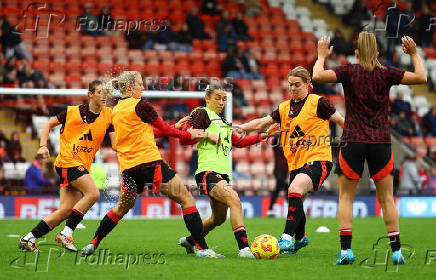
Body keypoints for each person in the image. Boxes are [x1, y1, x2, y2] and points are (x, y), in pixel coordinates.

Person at [80, 71, 223, 258]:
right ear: (130, 87)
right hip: (149, 164)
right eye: (140, 84)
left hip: (129, 170)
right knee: (186, 200)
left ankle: (93, 243)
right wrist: (191, 134)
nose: (143, 87)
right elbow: (163, 129)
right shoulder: (142, 105)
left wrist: (175, 128)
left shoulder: (116, 111)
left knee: (120, 209)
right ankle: (203, 249)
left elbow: (144, 134)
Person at [312, 32, 426, 265]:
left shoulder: (348, 71)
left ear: (355, 54)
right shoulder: (387, 73)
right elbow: (422, 77)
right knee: (387, 199)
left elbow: (317, 75)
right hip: (381, 141)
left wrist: (321, 55)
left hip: (353, 140)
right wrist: (414, 54)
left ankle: (346, 252)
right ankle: (396, 252)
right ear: (377, 53)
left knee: (346, 198)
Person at [236, 66, 344, 255]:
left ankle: (285, 238)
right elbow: (263, 122)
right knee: (296, 198)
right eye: (290, 85)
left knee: (294, 189)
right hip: (296, 163)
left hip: (319, 159)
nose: (293, 88)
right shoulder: (284, 108)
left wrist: (358, 138)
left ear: (308, 84)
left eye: (297, 85)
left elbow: (342, 121)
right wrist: (242, 127)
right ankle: (300, 238)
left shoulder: (319, 103)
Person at [178, 84, 279, 258]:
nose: (221, 102)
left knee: (218, 219)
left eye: (224, 99)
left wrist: (264, 135)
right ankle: (244, 249)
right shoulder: (201, 113)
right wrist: (207, 135)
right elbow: (185, 138)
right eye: (217, 97)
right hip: (208, 172)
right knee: (235, 200)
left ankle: (190, 240)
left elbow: (238, 142)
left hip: (222, 174)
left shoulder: (222, 122)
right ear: (207, 98)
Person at [18, 80, 114, 252]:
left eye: (106, 93)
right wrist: (42, 145)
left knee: (66, 211)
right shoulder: (71, 112)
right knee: (93, 193)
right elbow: (48, 124)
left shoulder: (109, 116)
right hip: (67, 162)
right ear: (90, 94)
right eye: (100, 92)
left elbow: (116, 144)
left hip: (80, 166)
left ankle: (28, 239)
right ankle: (66, 233)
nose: (104, 96)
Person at [267, 134, 289, 217]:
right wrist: (279, 134)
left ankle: (270, 210)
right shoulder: (277, 147)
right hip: (278, 171)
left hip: (284, 171)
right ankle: (292, 208)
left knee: (277, 190)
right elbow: (274, 142)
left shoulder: (288, 148)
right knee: (286, 187)